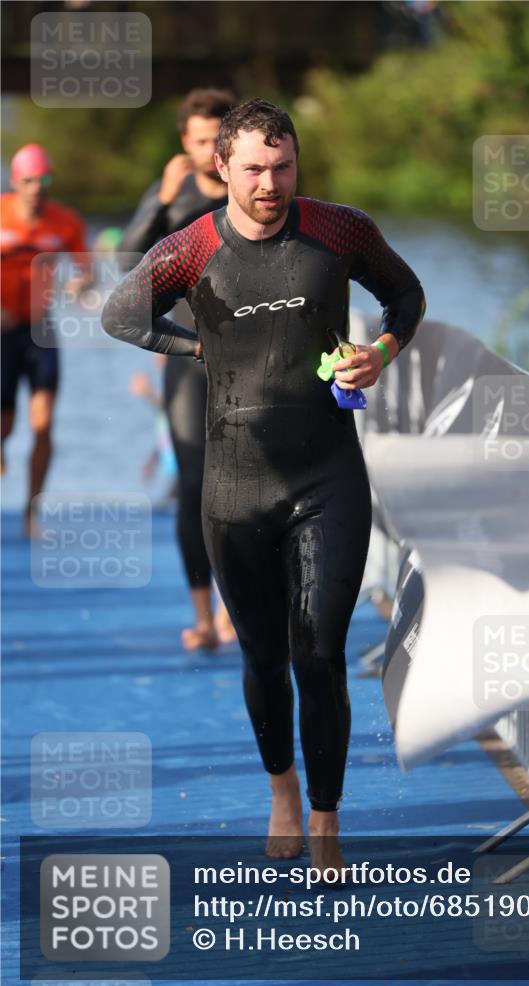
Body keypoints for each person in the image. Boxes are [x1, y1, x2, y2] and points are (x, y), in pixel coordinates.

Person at [102, 98, 425, 874]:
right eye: (253, 169)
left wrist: (380, 352)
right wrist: (196, 348)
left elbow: (406, 297)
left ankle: (325, 818)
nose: (270, 184)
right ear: (221, 167)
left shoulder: (338, 230)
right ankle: (282, 791)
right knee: (264, 658)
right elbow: (120, 314)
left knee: (319, 652)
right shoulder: (190, 248)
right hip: (235, 486)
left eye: (283, 167)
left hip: (327, 477)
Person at [118, 87, 237, 651]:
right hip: (189, 354)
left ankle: (236, 607)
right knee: (194, 485)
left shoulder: (253, 188)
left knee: (248, 484)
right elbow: (126, 266)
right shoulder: (172, 192)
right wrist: (162, 201)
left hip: (250, 354)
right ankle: (203, 616)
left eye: (218, 139)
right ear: (184, 143)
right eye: (199, 140)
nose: (209, 150)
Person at [1, 144, 93, 536]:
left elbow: (87, 269)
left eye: (44, 180)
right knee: (5, 426)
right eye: (29, 181)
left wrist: (80, 283)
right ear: (14, 182)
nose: (36, 188)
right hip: (2, 332)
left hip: (40, 330)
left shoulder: (65, 221)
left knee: (43, 424)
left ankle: (32, 513)